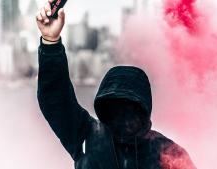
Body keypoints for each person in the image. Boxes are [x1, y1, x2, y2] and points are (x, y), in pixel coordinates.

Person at [36, 1, 197, 168]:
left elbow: (55, 99)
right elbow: (55, 99)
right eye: (114, 107)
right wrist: (50, 42)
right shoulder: (86, 135)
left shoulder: (168, 153)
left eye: (130, 108)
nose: (123, 115)